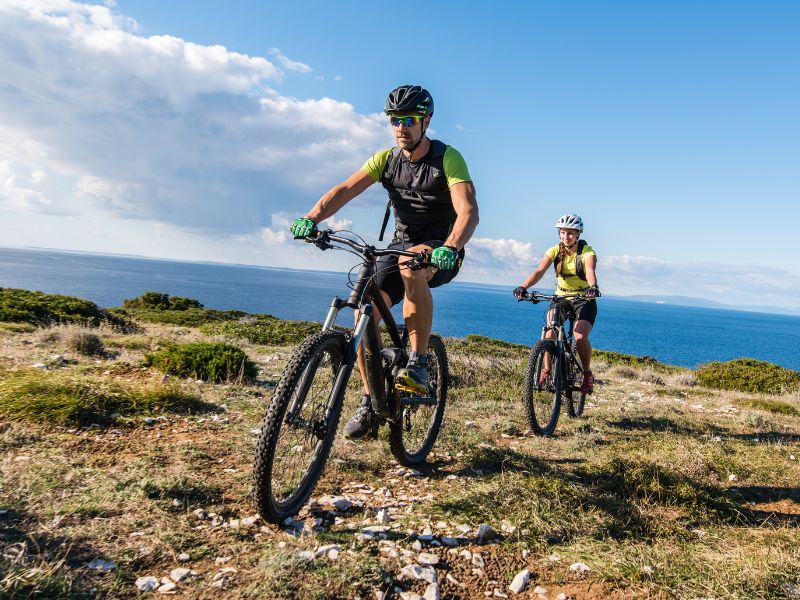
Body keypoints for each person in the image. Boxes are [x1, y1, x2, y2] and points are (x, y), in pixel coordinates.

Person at [290, 84, 479, 439]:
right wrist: (313, 218)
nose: (401, 127)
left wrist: (451, 246)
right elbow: (345, 190)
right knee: (365, 312)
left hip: (441, 247)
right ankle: (370, 400)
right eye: (394, 120)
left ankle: (419, 362)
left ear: (425, 121)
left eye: (408, 120)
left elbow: (468, 209)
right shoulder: (387, 160)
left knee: (412, 266)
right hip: (400, 244)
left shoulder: (447, 158)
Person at [513, 214, 599, 394]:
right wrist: (523, 286)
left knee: (580, 336)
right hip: (560, 298)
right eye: (562, 232)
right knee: (549, 332)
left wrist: (593, 287)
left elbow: (590, 270)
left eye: (570, 233)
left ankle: (586, 374)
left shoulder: (587, 252)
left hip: (584, 299)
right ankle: (546, 371)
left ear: (578, 234)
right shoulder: (554, 250)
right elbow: (539, 271)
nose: (565, 236)